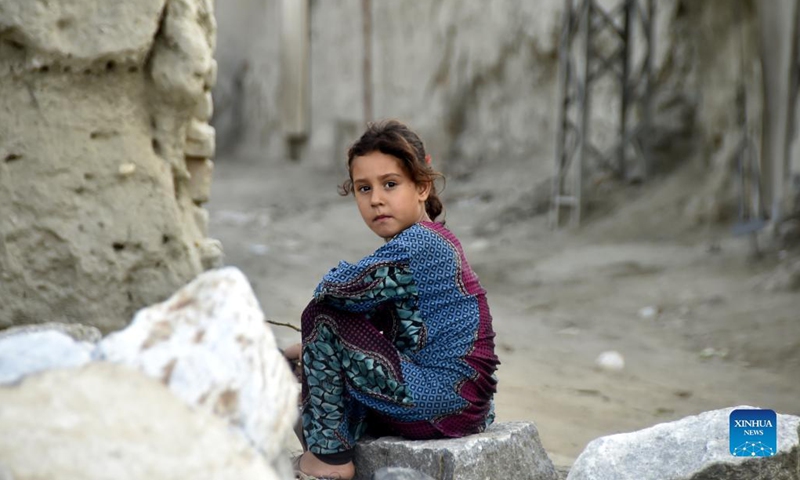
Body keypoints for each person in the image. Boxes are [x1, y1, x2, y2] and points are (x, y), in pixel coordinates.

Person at [287, 119, 499, 480]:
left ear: (422, 186)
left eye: (390, 184)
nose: (376, 199)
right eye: (363, 188)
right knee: (305, 365)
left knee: (322, 317)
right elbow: (372, 330)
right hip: (462, 405)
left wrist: (307, 346)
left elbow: (332, 292)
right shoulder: (432, 239)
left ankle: (329, 461)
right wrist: (295, 353)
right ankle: (331, 438)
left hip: (440, 400)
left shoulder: (419, 245)